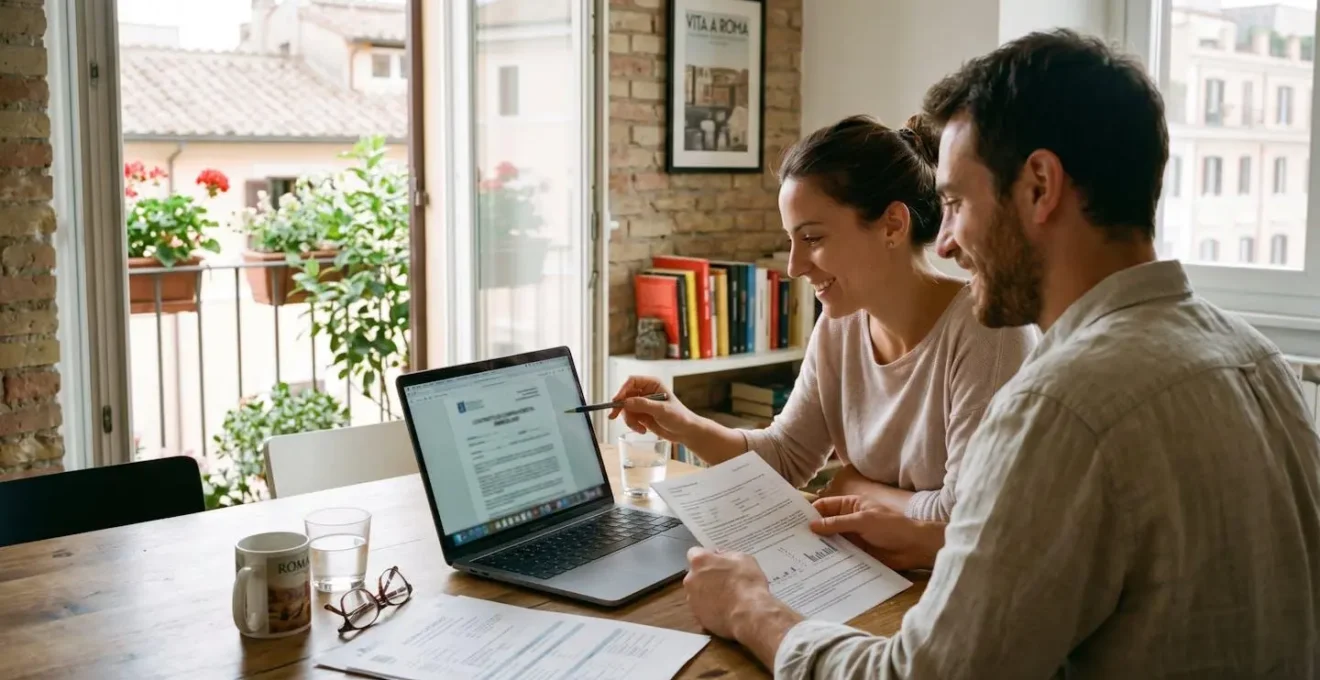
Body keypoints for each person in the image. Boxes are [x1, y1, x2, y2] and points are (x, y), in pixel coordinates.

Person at [679, 29, 1320, 679]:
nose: (947, 243)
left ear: (1040, 186)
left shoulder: (1061, 407)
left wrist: (752, 611)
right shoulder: (1258, 361)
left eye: (956, 202)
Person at [611, 115, 1037, 523]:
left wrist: (857, 488)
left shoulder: (990, 330)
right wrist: (684, 425)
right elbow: (785, 456)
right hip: (869, 563)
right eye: (791, 240)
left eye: (812, 238)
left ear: (892, 225)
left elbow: (965, 514)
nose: (794, 267)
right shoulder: (840, 325)